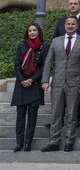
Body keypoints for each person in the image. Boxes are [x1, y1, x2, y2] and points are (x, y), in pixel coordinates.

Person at [41, 15, 80, 152]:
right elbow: (48, 62)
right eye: (68, 24)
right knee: (55, 113)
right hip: (57, 82)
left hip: (75, 82)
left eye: (73, 24)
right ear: (64, 26)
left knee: (71, 114)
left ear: (77, 26)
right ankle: (54, 142)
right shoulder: (56, 41)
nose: (70, 26)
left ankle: (69, 141)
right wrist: (45, 80)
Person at [12, 23, 48, 152]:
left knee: (32, 117)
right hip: (21, 85)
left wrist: (32, 80)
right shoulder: (22, 46)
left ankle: (28, 144)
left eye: (34, 30)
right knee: (20, 116)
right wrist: (22, 80)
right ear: (27, 33)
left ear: (39, 32)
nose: (32, 32)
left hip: (35, 84)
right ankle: (19, 143)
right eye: (30, 31)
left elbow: (44, 67)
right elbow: (17, 65)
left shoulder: (45, 47)